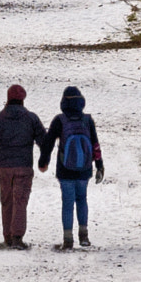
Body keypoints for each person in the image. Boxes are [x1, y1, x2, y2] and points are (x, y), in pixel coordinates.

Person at [0, 83, 49, 248]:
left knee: (7, 200)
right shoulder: (32, 118)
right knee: (20, 201)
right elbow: (43, 141)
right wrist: (44, 161)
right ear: (23, 99)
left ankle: (8, 238)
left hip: (4, 167)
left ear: (8, 99)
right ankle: (17, 237)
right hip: (24, 167)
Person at [40, 85, 104, 249]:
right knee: (82, 200)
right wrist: (99, 165)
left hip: (65, 168)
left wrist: (43, 161)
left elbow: (48, 143)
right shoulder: (87, 120)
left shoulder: (59, 120)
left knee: (67, 203)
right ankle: (84, 236)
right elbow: (95, 144)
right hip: (84, 169)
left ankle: (68, 239)